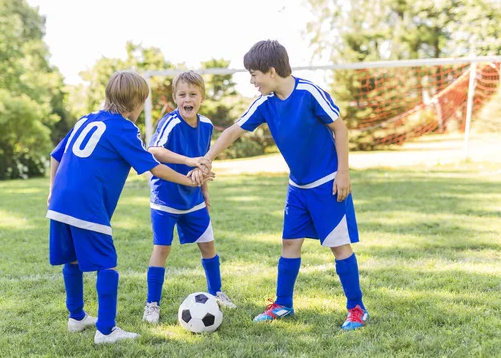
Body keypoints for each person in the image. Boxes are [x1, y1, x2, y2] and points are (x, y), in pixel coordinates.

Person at [204, 40, 368, 330]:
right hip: (298, 188)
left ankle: (356, 308)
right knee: (290, 243)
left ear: (271, 70)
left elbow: (340, 129)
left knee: (339, 247)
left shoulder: (308, 92)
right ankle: (283, 304)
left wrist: (344, 173)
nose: (252, 81)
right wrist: (207, 158)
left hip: (328, 185)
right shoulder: (265, 103)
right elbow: (232, 132)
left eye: (254, 74)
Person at [46, 70, 213, 344]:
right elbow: (155, 167)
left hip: (60, 202)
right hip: (87, 204)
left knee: (73, 259)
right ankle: (107, 331)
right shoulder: (124, 129)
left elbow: (56, 154)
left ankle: (76, 317)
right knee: (107, 265)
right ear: (136, 104)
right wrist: (189, 179)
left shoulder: (86, 119)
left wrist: (52, 191)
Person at [142, 70, 236, 325]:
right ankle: (152, 303)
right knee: (162, 248)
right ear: (175, 98)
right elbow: (154, 150)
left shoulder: (205, 125)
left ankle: (216, 292)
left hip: (193, 199)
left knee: (208, 245)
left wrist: (204, 188)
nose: (187, 99)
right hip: (165, 199)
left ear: (201, 98)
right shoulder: (170, 122)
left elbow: (203, 158)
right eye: (182, 94)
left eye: (193, 94)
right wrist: (187, 161)